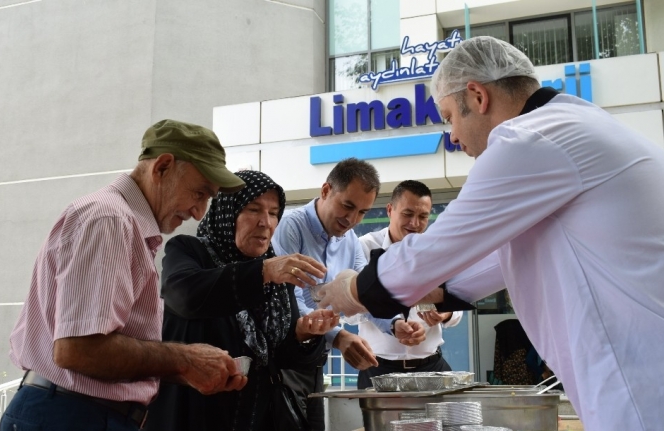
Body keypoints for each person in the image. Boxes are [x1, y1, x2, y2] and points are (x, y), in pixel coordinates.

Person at [317, 36, 664, 431]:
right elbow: (501, 257)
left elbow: (439, 247)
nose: (452, 136)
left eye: (450, 117)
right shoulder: (574, 126)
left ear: (477, 96)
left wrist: (352, 290)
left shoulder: (529, 140)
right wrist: (435, 289)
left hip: (639, 381)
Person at [1, 120, 250, 431]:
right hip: (71, 415)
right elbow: (79, 350)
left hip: (76, 412)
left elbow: (100, 352)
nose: (199, 211)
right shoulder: (110, 220)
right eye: (199, 193)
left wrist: (191, 368)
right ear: (162, 167)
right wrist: (184, 358)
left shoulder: (121, 222)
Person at [144, 170, 337, 431]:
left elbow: (280, 360)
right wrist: (262, 273)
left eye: (273, 213)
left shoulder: (276, 276)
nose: (265, 222)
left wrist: (303, 333)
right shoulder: (191, 251)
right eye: (253, 209)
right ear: (228, 212)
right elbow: (184, 295)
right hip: (194, 416)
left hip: (258, 417)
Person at [272, 157, 394, 430]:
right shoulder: (291, 226)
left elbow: (365, 291)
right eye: (347, 206)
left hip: (315, 361)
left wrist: (396, 323)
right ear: (326, 190)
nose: (351, 219)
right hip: (283, 360)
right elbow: (286, 300)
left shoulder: (349, 238)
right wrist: (337, 335)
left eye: (362, 212)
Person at [356, 180, 462, 389]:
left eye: (423, 216)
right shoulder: (364, 248)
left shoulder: (437, 250)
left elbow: (457, 306)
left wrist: (445, 313)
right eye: (407, 214)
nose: (415, 223)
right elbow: (351, 310)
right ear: (390, 210)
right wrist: (392, 323)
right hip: (378, 369)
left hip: (432, 367)